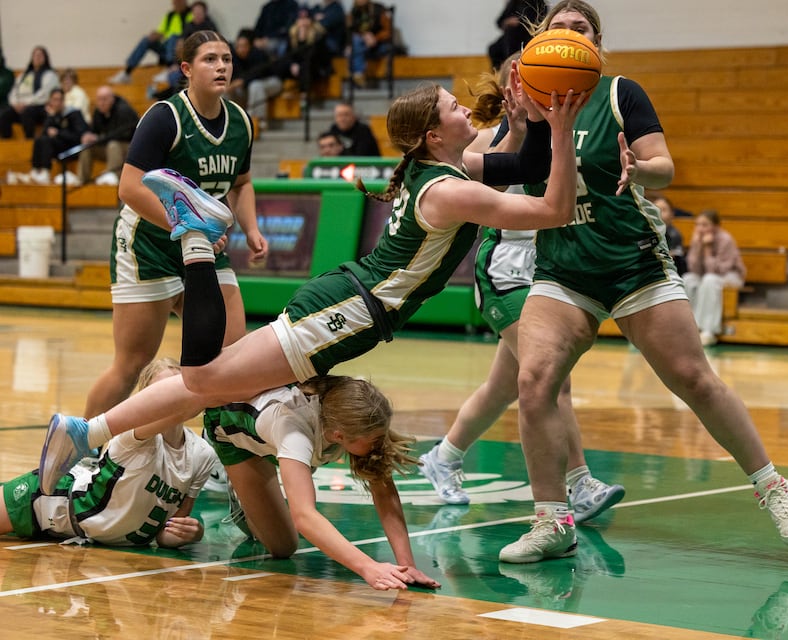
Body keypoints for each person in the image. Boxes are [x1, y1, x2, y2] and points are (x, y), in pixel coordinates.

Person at [39, 75, 585, 520]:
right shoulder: (449, 190)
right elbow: (555, 209)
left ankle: (88, 432)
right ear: (433, 135)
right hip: (347, 312)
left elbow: (529, 168)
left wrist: (535, 121)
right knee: (204, 378)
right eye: (452, 106)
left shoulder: (450, 169)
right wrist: (561, 129)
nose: (465, 109)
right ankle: (195, 238)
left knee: (212, 384)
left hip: (346, 305)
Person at [495, 0, 788, 565]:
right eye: (560, 27)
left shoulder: (620, 93)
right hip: (563, 267)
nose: (570, 34)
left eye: (581, 28)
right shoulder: (529, 98)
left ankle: (776, 490)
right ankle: (552, 521)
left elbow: (665, 164)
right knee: (534, 383)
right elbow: (496, 170)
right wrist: (515, 130)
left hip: (631, 260)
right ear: (540, 40)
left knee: (694, 379)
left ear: (596, 43)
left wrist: (639, 168)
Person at [418, 54, 624, 522]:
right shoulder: (486, 138)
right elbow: (499, 173)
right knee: (554, 379)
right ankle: (579, 483)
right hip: (506, 268)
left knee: (503, 387)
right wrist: (514, 131)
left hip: (546, 267)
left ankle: (444, 456)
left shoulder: (564, 135)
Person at [81, 30, 268, 421]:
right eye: (210, 59)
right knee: (132, 363)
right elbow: (129, 187)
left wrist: (251, 229)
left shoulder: (241, 122)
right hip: (149, 245)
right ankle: (80, 444)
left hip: (203, 247)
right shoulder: (164, 118)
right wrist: (189, 228)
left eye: (226, 59)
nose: (221, 66)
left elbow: (242, 182)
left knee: (233, 359)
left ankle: (222, 447)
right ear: (187, 69)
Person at [203, 374, 441, 591]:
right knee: (282, 546)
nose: (382, 444)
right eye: (376, 439)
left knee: (284, 543)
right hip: (231, 429)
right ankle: (239, 491)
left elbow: (383, 491)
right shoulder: (293, 432)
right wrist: (368, 567)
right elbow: (304, 516)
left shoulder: (357, 408)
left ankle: (256, 490)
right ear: (339, 436)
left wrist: (407, 566)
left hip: (274, 433)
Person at [1, 358, 215, 547]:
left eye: (175, 388)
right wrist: (208, 392)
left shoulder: (202, 454)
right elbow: (179, 411)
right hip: (49, 502)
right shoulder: (133, 434)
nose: (170, 397)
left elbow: (166, 534)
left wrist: (192, 534)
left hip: (79, 535)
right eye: (161, 391)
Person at [683, 209, 746, 346]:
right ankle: (690, 328)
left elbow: (718, 270)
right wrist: (697, 247)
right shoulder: (697, 239)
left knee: (709, 280)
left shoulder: (726, 239)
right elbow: (694, 269)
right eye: (697, 225)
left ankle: (708, 330)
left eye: (705, 225)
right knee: (688, 279)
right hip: (708, 276)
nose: (700, 228)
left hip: (731, 276)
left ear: (716, 226)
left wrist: (707, 249)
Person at [108, 0, 193, 84]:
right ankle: (127, 72)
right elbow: (161, 31)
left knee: (173, 37)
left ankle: (170, 69)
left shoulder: (190, 15)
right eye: (174, 2)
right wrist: (154, 35)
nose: (176, 4)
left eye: (179, 2)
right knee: (146, 40)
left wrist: (180, 39)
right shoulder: (170, 15)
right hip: (166, 48)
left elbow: (191, 33)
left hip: (181, 49)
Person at [77, 86, 139, 186]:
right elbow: (94, 132)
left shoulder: (124, 110)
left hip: (130, 149)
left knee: (113, 145)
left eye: (104, 99)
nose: (101, 103)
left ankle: (113, 179)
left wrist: (99, 138)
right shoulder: (98, 111)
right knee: (87, 147)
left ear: (112, 99)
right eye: (99, 99)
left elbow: (124, 134)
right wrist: (88, 136)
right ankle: (82, 180)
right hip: (108, 146)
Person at [27, 87, 89, 186]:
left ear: (64, 100)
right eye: (55, 100)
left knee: (47, 141)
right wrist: (51, 117)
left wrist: (59, 133)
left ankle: (45, 172)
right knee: (39, 140)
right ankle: (35, 170)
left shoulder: (74, 114)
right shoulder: (53, 115)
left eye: (60, 99)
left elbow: (79, 136)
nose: (58, 103)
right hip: (57, 148)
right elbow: (45, 132)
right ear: (50, 101)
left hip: (72, 148)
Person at [227, 28, 282, 130]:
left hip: (272, 81)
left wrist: (242, 81)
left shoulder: (258, 54)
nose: (241, 49)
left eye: (244, 46)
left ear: (250, 46)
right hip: (249, 86)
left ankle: (257, 121)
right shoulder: (233, 57)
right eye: (238, 46)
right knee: (227, 89)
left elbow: (258, 73)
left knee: (255, 86)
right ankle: (231, 121)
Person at [0, 45, 59, 139]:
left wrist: (26, 103)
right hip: (20, 106)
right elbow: (14, 91)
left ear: (45, 58)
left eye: (40, 55)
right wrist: (15, 103)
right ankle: (8, 141)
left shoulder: (50, 75)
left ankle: (29, 141)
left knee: (27, 112)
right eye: (35, 55)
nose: (37, 57)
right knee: (4, 114)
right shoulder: (24, 75)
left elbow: (44, 95)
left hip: (39, 108)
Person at [271, 6, 333, 93]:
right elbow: (288, 55)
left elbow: (313, 56)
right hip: (297, 68)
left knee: (305, 65)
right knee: (279, 63)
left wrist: (303, 39)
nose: (303, 22)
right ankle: (279, 88)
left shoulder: (318, 35)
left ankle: (304, 95)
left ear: (311, 20)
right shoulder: (293, 35)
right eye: (301, 19)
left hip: (316, 68)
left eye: (306, 18)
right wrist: (292, 64)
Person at [488, 0, 548, 70]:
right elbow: (499, 21)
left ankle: (513, 67)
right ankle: (500, 71)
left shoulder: (539, 2)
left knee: (512, 40)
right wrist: (507, 22)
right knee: (493, 48)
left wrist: (519, 22)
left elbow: (538, 22)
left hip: (529, 35)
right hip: (511, 35)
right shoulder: (514, 2)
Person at [346, 0, 393, 87]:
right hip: (363, 46)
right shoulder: (354, 11)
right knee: (351, 48)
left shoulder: (378, 9)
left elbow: (388, 31)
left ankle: (357, 75)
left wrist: (375, 38)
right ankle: (358, 76)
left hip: (380, 45)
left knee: (353, 51)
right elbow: (351, 32)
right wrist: (362, 37)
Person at [651, 193, 687, 275]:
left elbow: (673, 259)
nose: (659, 213)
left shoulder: (675, 235)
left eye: (663, 210)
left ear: (671, 214)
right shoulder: (645, 232)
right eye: (656, 209)